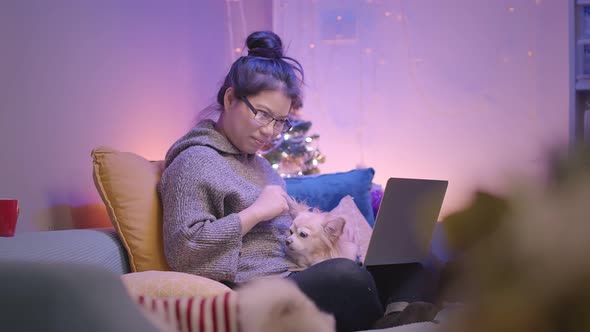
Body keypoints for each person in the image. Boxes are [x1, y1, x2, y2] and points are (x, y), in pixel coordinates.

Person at [159, 30, 424, 332]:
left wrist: (335, 245)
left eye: (280, 121)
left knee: (409, 267)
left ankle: (393, 321)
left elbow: (293, 239)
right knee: (346, 277)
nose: (271, 131)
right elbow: (184, 249)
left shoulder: (261, 166)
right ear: (231, 98)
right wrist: (255, 212)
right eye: (262, 114)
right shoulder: (194, 161)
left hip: (293, 272)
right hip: (259, 290)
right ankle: (395, 319)